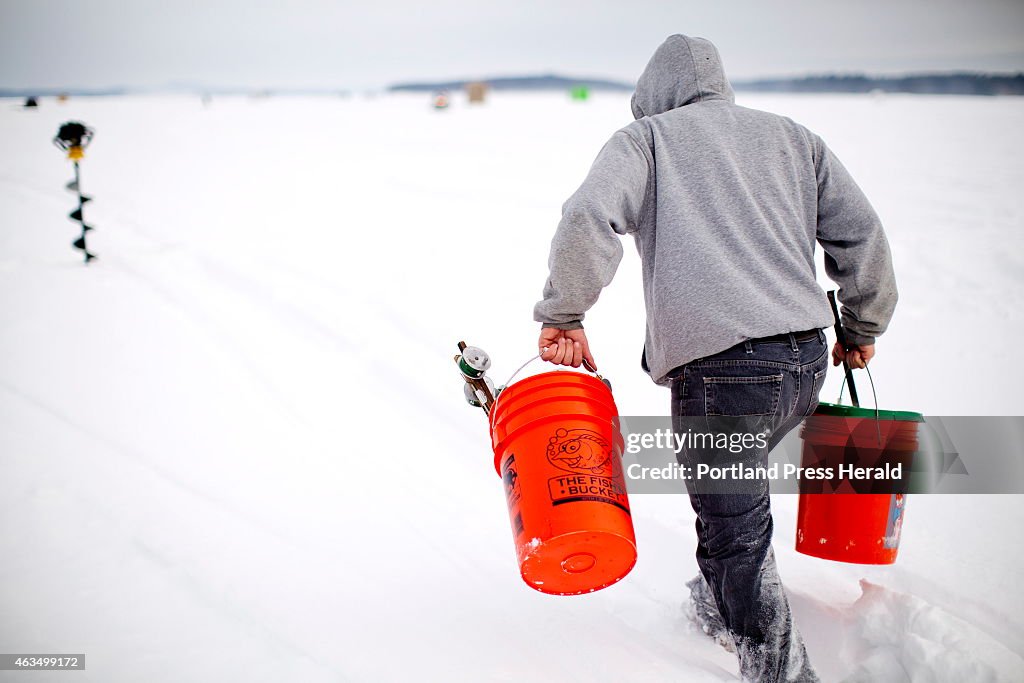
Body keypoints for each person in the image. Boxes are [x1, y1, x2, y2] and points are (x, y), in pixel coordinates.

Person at [533, 34, 897, 682]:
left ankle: (777, 668)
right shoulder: (792, 137)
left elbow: (590, 214)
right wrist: (863, 320)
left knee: (736, 530)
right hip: (804, 363)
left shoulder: (646, 140)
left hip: (725, 373)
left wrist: (564, 313)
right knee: (734, 506)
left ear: (655, 95)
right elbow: (863, 232)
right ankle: (721, 603)